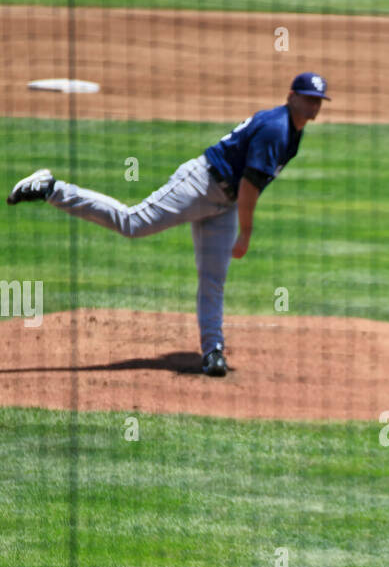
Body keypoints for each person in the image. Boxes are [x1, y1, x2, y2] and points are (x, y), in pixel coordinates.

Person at [6, 72, 331, 377]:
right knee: (132, 222)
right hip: (200, 184)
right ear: (291, 96)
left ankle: (212, 350)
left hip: (223, 203)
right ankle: (51, 188)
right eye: (307, 97)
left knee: (213, 278)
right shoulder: (277, 128)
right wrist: (246, 234)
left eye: (318, 99)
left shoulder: (292, 129)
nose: (313, 104)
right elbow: (249, 187)